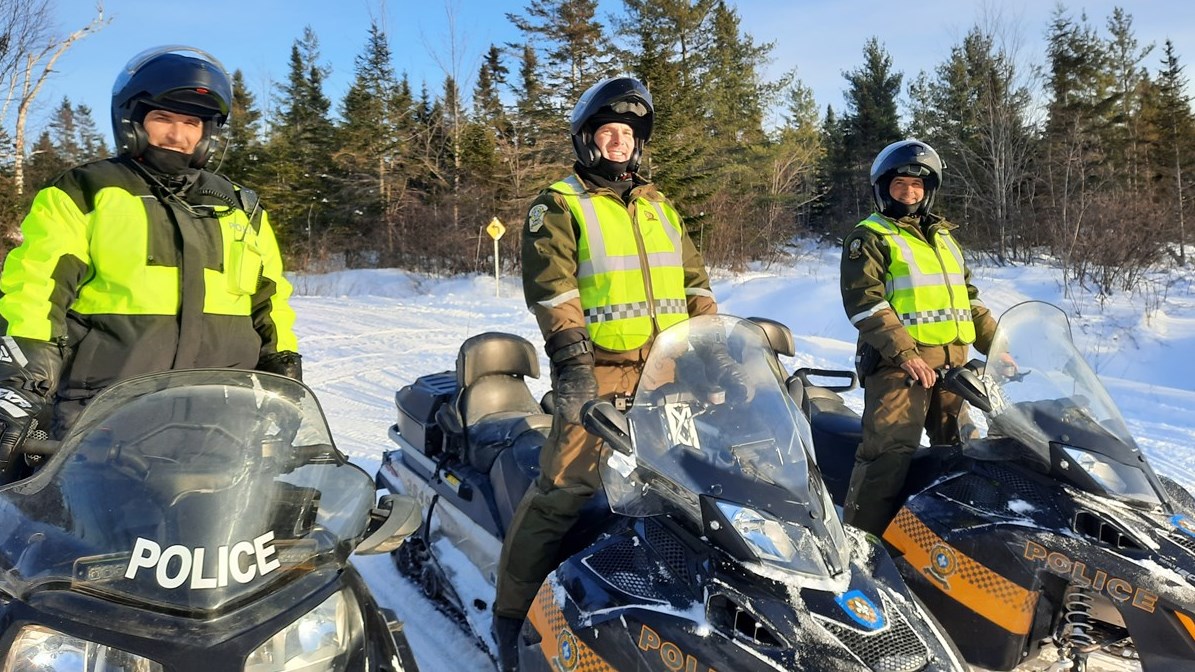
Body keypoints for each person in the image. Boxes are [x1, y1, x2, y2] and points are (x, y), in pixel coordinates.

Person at [492, 77, 719, 670]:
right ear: (588, 139)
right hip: (598, 373)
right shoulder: (560, 203)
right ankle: (511, 614)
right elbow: (552, 289)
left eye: (628, 135)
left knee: (688, 488)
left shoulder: (658, 205)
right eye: (608, 133)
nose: (619, 144)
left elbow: (694, 284)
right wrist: (571, 362)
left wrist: (714, 348)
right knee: (564, 491)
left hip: (667, 374)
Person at [0, 46, 300, 479]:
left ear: (208, 133)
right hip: (103, 423)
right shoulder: (85, 191)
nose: (177, 135)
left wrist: (284, 372)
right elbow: (35, 289)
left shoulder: (241, 208)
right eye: (164, 119)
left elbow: (270, 303)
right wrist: (24, 383)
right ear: (134, 121)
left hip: (224, 421)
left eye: (191, 123)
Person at [839, 139, 997, 537]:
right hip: (899, 366)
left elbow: (968, 300)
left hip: (954, 367)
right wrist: (906, 353)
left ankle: (954, 538)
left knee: (962, 451)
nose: (909, 192)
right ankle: (862, 543)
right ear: (883, 188)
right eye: (900, 185)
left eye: (917, 185)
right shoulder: (870, 236)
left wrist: (1001, 346)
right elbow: (866, 303)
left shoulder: (944, 239)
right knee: (888, 456)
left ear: (928, 191)